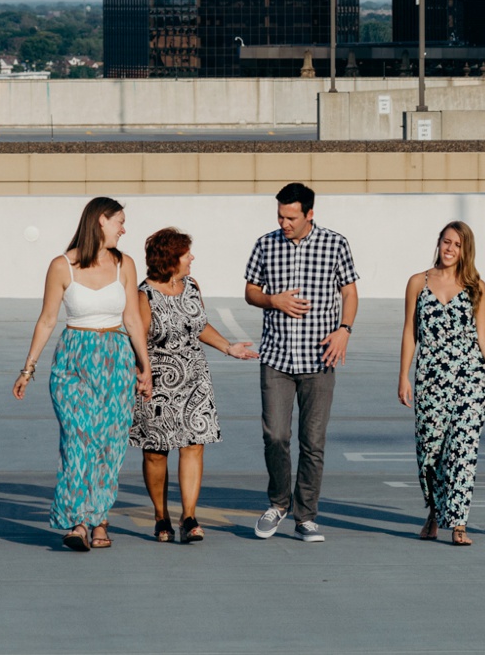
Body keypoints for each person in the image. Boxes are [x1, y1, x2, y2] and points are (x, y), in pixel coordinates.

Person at [13, 196, 153, 552]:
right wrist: (28, 369)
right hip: (73, 360)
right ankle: (77, 521)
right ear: (101, 221)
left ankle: (100, 518)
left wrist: (145, 366)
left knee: (110, 444)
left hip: (116, 359)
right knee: (78, 441)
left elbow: (134, 320)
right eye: (119, 221)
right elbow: (47, 320)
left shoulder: (125, 264)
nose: (124, 228)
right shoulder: (62, 266)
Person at [244, 181, 358, 543]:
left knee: (313, 442)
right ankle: (279, 503)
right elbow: (250, 291)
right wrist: (272, 300)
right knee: (275, 435)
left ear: (309, 214)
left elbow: (350, 291)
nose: (284, 222)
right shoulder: (266, 244)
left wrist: (344, 330)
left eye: (291, 216)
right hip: (276, 357)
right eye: (280, 215)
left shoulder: (335, 244)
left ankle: (305, 516)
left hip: (319, 358)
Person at [131, 226, 258, 544]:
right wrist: (142, 375)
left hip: (194, 377)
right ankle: (161, 518)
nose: (192, 258)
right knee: (156, 452)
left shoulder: (191, 285)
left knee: (193, 445)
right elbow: (138, 339)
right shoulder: (143, 294)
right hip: (157, 378)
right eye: (187, 253)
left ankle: (189, 517)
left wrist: (229, 348)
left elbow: (199, 325)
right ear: (171, 257)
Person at [397, 220, 485, 546]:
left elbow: (483, 333)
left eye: (456, 244)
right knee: (430, 451)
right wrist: (403, 376)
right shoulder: (417, 282)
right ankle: (434, 510)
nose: (450, 249)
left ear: (465, 249)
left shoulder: (476, 287)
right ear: (438, 244)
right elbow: (409, 333)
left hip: (470, 379)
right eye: (446, 242)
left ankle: (458, 523)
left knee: (462, 450)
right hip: (430, 378)